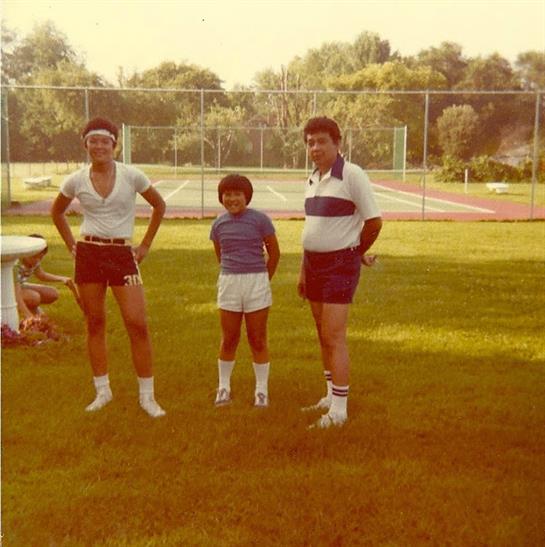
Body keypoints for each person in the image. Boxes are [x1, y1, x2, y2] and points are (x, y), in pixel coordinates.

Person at [51, 117, 167, 418]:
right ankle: (103, 391)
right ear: (86, 145)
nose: (99, 146)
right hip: (89, 254)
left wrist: (144, 245)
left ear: (115, 145)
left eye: (105, 141)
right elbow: (57, 212)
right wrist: (71, 245)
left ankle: (147, 396)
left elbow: (159, 205)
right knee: (95, 322)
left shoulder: (132, 175)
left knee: (137, 323)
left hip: (121, 255)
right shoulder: (76, 179)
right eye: (93, 141)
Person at [298, 116, 382, 429]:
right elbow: (312, 229)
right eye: (310, 142)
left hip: (339, 265)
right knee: (323, 335)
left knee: (334, 335)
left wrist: (354, 253)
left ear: (337, 143)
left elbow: (374, 222)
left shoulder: (352, 174)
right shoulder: (312, 178)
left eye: (321, 141)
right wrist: (303, 270)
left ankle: (340, 411)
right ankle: (330, 396)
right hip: (313, 265)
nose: (315, 148)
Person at [210, 174, 280, 408]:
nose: (232, 199)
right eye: (227, 194)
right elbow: (221, 254)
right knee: (229, 338)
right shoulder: (218, 224)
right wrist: (234, 272)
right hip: (230, 282)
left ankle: (261, 390)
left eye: (237, 194)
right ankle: (223, 387)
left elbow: (275, 254)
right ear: (221, 198)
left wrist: (262, 278)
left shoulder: (260, 220)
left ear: (246, 196)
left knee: (257, 339)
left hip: (256, 283)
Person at [14, 233, 77, 319]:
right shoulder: (16, 264)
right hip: (6, 291)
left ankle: (34, 309)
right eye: (34, 257)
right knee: (34, 297)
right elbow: (16, 294)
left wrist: (62, 279)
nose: (37, 261)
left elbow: (41, 275)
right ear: (25, 252)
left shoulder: (33, 259)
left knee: (52, 293)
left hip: (19, 287)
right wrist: (28, 316)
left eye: (40, 258)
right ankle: (31, 313)